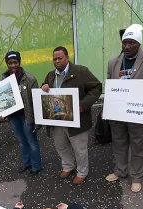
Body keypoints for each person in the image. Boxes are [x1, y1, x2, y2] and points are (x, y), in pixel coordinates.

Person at [105, 24, 143, 193]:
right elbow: (110, 87)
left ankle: (136, 176)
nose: (127, 47)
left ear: (139, 43)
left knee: (138, 146)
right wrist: (107, 108)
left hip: (139, 114)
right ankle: (120, 171)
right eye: (124, 43)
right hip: (118, 113)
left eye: (132, 43)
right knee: (119, 144)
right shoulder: (113, 62)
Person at [41, 46, 102, 184]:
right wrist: (43, 86)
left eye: (60, 58)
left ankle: (82, 172)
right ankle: (68, 166)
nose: (57, 61)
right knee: (61, 146)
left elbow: (96, 87)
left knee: (79, 149)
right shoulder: (51, 75)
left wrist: (83, 105)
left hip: (77, 120)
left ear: (67, 57)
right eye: (54, 59)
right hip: (57, 120)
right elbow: (45, 91)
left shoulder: (81, 71)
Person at [2, 50, 42, 175]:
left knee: (31, 141)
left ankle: (36, 166)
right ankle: (27, 164)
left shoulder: (30, 79)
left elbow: (36, 100)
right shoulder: (4, 79)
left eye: (15, 62)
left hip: (27, 116)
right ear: (7, 64)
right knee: (22, 142)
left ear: (19, 62)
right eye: (10, 63)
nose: (13, 65)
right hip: (14, 117)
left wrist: (38, 120)